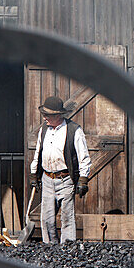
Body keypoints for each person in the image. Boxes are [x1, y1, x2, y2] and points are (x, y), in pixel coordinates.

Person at [30, 95, 91, 244]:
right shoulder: (43, 130)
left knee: (67, 218)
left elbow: (84, 157)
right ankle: (50, 248)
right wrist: (34, 174)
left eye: (47, 115)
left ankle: (67, 248)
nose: (44, 118)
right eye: (44, 114)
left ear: (58, 115)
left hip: (66, 180)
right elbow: (38, 152)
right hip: (47, 179)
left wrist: (83, 179)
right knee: (47, 219)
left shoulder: (73, 130)